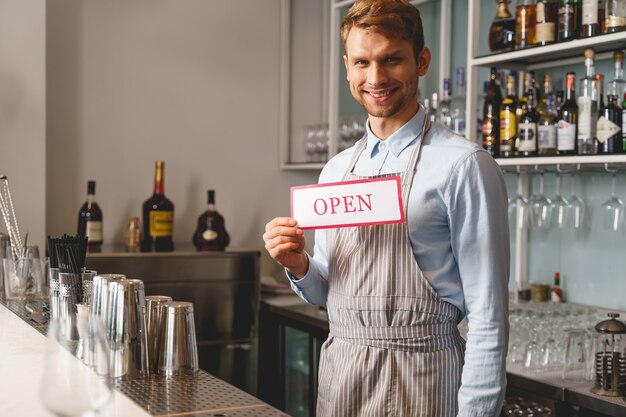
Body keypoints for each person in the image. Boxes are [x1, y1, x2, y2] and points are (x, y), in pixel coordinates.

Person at [263, 0, 509, 416]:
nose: (375, 77)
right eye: (362, 62)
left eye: (391, 59)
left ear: (422, 60)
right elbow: (327, 290)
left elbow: (489, 317)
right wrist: (300, 265)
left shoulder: (464, 165)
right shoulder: (336, 170)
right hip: (341, 376)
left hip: (425, 379)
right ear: (347, 68)